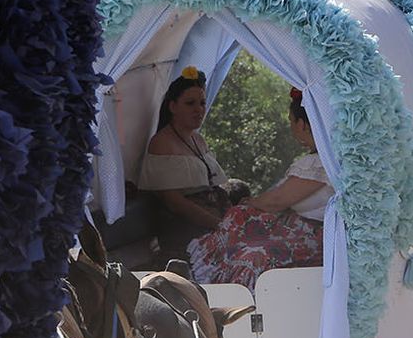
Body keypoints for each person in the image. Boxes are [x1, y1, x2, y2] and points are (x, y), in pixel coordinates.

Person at [189, 88, 333, 287]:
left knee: (254, 255)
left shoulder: (321, 164)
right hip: (300, 230)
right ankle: (210, 277)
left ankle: (238, 296)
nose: (291, 127)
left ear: (302, 124)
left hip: (318, 236)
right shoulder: (315, 161)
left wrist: (252, 202)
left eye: (291, 121)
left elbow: (278, 201)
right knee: (240, 215)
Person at [138, 66, 235, 262]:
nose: (198, 109)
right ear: (173, 107)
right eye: (190, 103)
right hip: (185, 227)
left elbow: (214, 185)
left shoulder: (199, 141)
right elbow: (175, 202)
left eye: (202, 103)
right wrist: (218, 224)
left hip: (211, 216)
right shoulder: (161, 143)